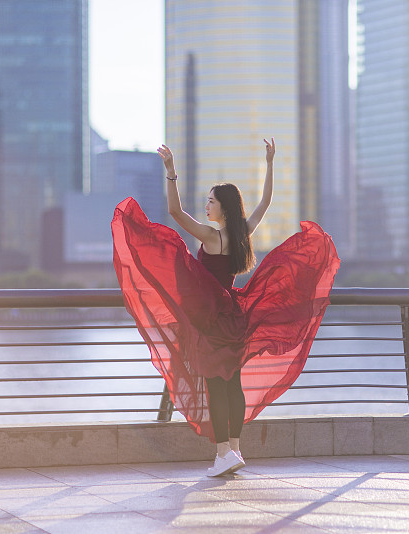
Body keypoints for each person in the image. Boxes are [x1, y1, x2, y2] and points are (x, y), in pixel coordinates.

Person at [112, 139, 340, 477]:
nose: (206, 206)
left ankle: (222, 454)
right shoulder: (243, 235)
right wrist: (270, 163)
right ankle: (234, 448)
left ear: (223, 208)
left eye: (211, 201)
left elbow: (175, 214)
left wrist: (171, 173)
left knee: (216, 385)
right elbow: (265, 203)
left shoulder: (210, 237)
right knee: (232, 384)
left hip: (210, 321)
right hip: (235, 317)